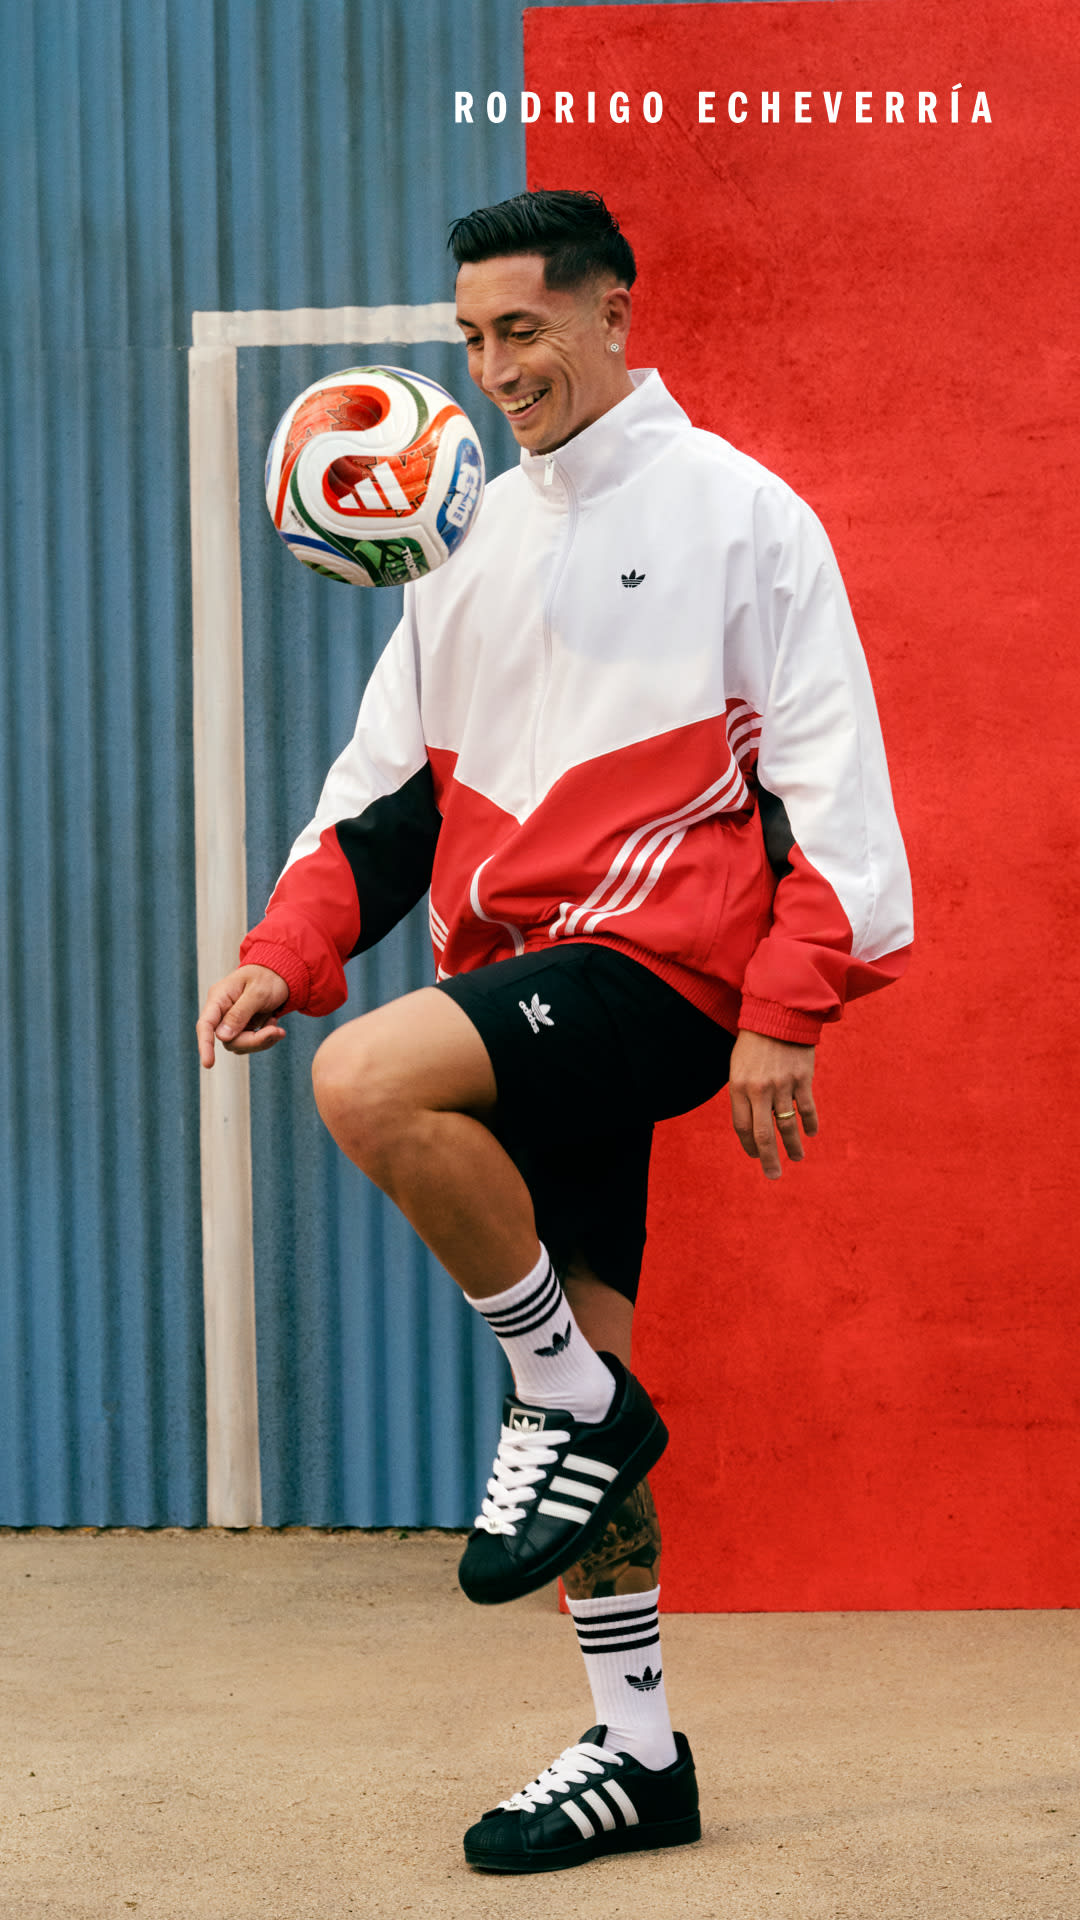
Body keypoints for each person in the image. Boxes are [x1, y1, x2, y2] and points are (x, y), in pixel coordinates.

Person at [196, 189, 913, 1875]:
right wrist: (284, 948)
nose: (493, 366)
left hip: (663, 974)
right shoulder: (462, 543)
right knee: (591, 1378)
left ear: (612, 315)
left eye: (520, 328)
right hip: (523, 985)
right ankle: (638, 1750)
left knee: (369, 1079)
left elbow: (839, 803)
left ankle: (561, 1396)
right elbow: (382, 808)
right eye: (470, 337)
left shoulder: (743, 513)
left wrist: (788, 1016)